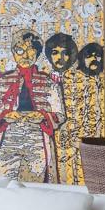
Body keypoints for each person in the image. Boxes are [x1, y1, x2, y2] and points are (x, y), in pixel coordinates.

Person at [0, 31, 64, 182]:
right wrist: (5, 115)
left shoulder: (49, 82)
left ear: (37, 52)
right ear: (13, 53)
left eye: (31, 50)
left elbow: (60, 114)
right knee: (3, 182)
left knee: (36, 184)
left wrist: (42, 116)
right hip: (8, 137)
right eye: (19, 50)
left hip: (38, 136)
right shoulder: (0, 81)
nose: (25, 55)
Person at [44, 33, 80, 183]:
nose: (60, 57)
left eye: (65, 53)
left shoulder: (79, 80)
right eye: (55, 52)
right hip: (52, 135)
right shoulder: (44, 79)